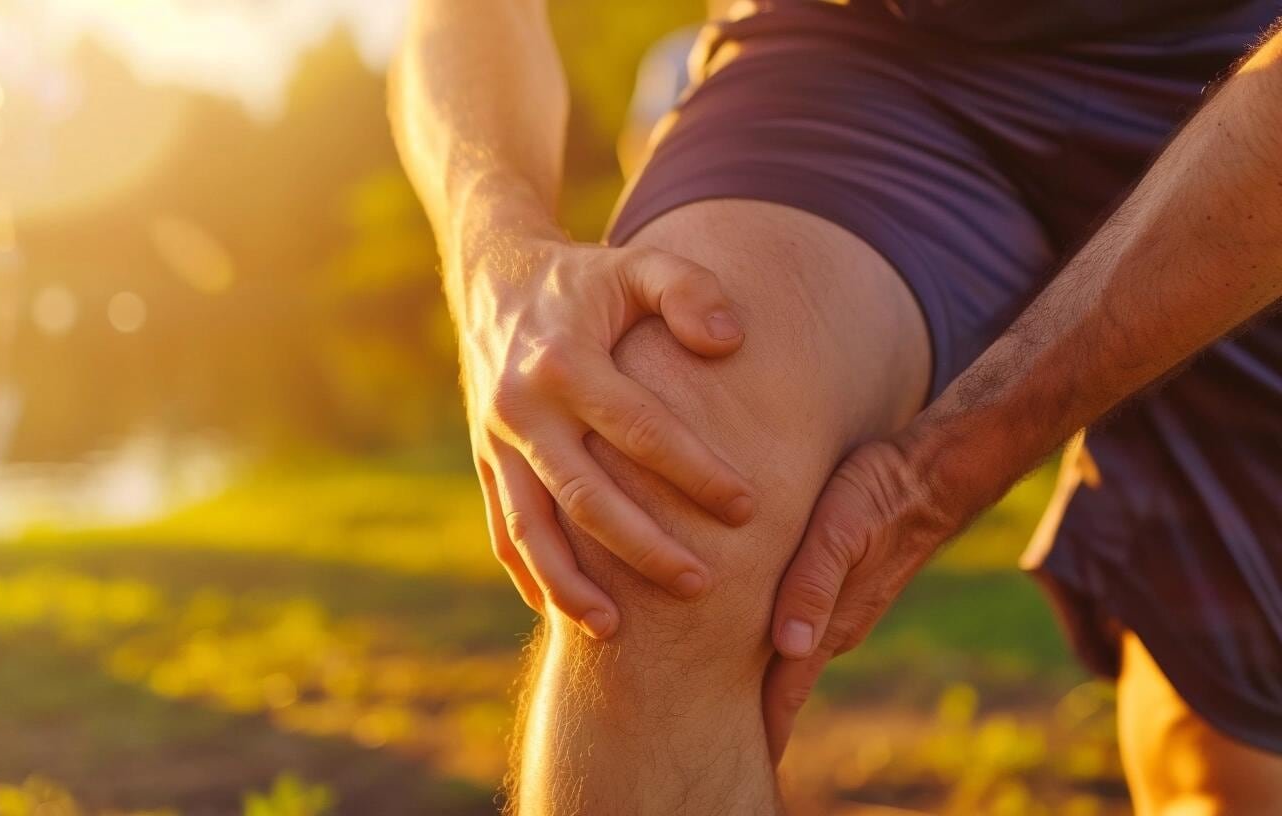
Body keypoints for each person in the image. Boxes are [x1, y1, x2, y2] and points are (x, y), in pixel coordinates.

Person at [389, 0, 1282, 812]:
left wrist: (953, 461)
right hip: (868, 57)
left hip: (1243, 70)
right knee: (659, 478)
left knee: (1233, 769)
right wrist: (494, 254)